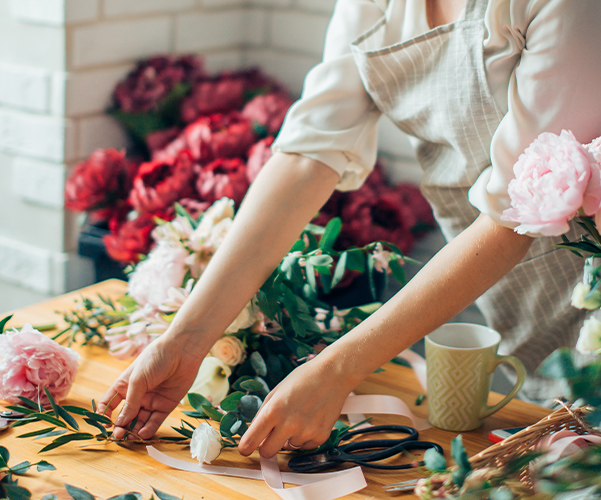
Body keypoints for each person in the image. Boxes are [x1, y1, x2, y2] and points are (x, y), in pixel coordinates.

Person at [98, 0, 601, 458]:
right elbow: (308, 154)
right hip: (508, 297)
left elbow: (514, 215)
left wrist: (338, 369)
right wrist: (185, 340)